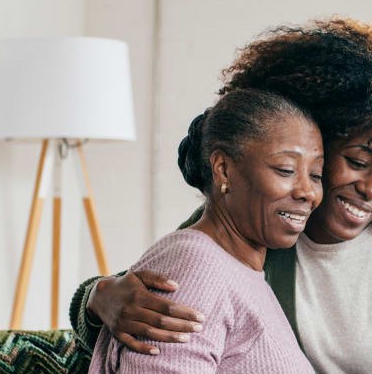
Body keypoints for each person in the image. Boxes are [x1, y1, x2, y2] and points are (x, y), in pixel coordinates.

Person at [72, 18, 372, 374]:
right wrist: (98, 298)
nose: (371, 189)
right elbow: (159, 295)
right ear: (319, 142)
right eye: (357, 163)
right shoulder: (256, 225)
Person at [89, 89, 321, 373]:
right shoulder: (197, 268)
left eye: (316, 175)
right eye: (286, 170)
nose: (308, 192)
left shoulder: (241, 270)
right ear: (223, 169)